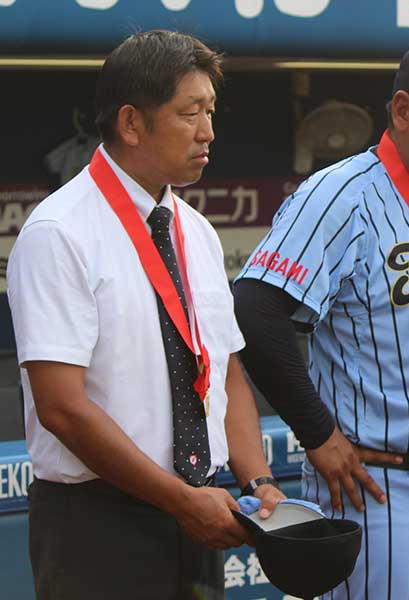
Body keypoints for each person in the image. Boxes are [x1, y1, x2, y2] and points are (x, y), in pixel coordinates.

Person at [232, 38, 409, 599]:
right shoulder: (340, 194)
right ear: (404, 111)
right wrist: (317, 433)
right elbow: (255, 309)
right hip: (385, 491)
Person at [7, 30, 284, 600]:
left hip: (201, 509)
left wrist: (260, 480)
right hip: (98, 524)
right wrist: (181, 500)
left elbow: (225, 371)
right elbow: (62, 406)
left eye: (210, 111)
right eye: (190, 113)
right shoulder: (60, 232)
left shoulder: (197, 231)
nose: (208, 131)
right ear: (132, 123)